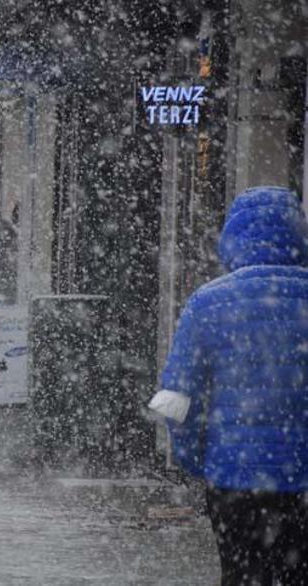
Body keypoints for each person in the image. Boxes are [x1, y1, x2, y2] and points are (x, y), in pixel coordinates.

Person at [149, 186, 308, 584]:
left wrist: (195, 460)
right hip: (302, 482)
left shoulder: (207, 303)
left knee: (240, 573)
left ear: (233, 239)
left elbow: (177, 400)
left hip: (233, 481)